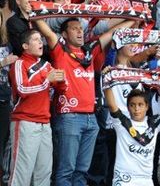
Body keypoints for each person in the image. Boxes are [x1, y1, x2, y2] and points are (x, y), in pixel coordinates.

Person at [34, 17, 132, 186]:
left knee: (82, 171)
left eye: (81, 28)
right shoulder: (60, 50)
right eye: (74, 29)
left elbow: (112, 33)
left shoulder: (89, 50)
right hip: (69, 117)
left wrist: (134, 17)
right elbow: (48, 33)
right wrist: (35, 12)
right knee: (66, 170)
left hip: (91, 118)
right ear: (64, 34)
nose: (79, 31)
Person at [104, 83, 160, 185]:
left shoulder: (155, 123)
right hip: (123, 178)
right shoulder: (121, 122)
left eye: (140, 105)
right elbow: (112, 105)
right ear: (128, 107)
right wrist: (107, 83)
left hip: (146, 179)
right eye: (132, 105)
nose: (136, 109)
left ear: (147, 106)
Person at [8, 30, 66, 186]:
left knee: (44, 173)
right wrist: (47, 80)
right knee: (22, 173)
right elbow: (22, 89)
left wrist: (61, 81)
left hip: (45, 123)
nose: (41, 42)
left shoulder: (46, 65)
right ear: (25, 45)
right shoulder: (19, 63)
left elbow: (60, 90)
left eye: (41, 39)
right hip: (25, 121)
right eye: (35, 39)